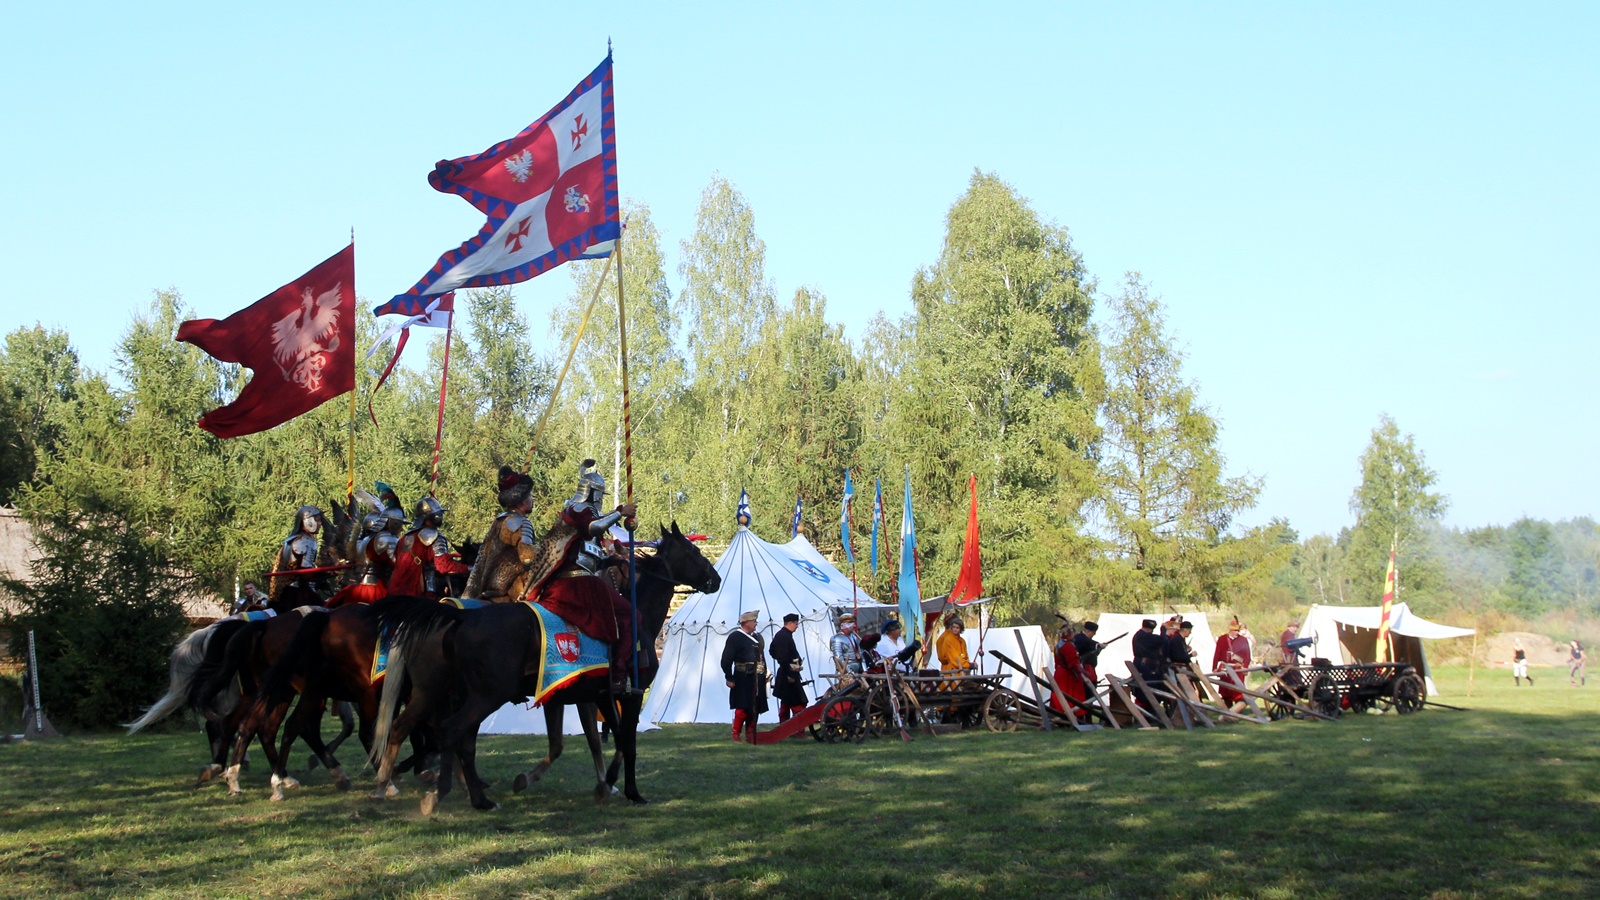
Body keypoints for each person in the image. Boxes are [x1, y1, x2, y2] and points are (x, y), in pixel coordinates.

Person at [528, 459, 640, 694]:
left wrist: (612, 560)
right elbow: (593, 528)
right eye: (599, 494)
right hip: (578, 583)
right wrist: (619, 512)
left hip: (582, 577)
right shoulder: (579, 510)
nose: (600, 499)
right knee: (632, 616)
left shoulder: (580, 512)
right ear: (591, 492)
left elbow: (587, 554)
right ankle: (619, 675)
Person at [462, 466, 540, 602]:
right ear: (522, 500)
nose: (532, 500)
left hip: (486, 591)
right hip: (510, 596)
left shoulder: (499, 520)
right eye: (530, 496)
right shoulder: (521, 523)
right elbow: (528, 558)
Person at [329, 506, 406, 608]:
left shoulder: (364, 540)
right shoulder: (386, 538)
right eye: (399, 524)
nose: (401, 528)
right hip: (375, 588)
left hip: (357, 587)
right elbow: (398, 565)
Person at [391, 496, 453, 598]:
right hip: (424, 591)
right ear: (435, 516)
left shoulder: (404, 537)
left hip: (398, 590)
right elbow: (443, 566)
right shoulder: (434, 536)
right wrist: (469, 568)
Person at [270, 505, 334, 602]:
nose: (320, 524)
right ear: (307, 520)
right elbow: (306, 574)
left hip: (287, 591)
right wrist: (324, 573)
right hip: (296, 593)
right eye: (317, 520)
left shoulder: (294, 539)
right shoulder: (305, 541)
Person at [722, 610, 768, 741]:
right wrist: (729, 676)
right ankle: (736, 734)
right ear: (746, 622)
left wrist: (765, 672)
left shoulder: (757, 637)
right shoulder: (735, 637)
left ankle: (750, 734)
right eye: (754, 621)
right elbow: (726, 659)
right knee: (742, 706)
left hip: (758, 677)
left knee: (755, 706)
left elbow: (761, 657)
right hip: (743, 677)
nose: (756, 623)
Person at [769, 612, 808, 722]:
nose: (797, 626)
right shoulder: (783, 636)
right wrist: (790, 672)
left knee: (787, 701)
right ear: (790, 623)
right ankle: (796, 729)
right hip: (788, 674)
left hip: (788, 672)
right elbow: (782, 657)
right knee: (798, 702)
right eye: (796, 624)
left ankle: (785, 726)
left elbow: (772, 651)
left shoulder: (783, 635)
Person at [1213, 616, 1252, 706]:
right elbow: (1217, 654)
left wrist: (1244, 667)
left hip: (1238, 669)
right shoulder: (1222, 639)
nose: (1237, 633)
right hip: (1226, 668)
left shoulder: (1243, 640)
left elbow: (1247, 656)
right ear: (1230, 630)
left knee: (1238, 691)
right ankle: (1228, 708)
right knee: (1226, 691)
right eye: (1235, 631)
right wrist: (1214, 667)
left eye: (1237, 631)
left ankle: (1238, 709)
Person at [1051, 621, 1089, 712]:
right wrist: (1084, 672)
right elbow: (1074, 664)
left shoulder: (1058, 645)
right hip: (1067, 675)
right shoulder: (1068, 646)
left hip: (1060, 672)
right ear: (1069, 635)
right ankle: (1071, 715)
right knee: (1070, 697)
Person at [1131, 618, 1165, 687]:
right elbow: (1162, 639)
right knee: (1147, 685)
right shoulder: (1144, 636)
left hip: (1142, 663)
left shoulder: (1139, 635)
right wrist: (1163, 630)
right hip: (1146, 665)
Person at [1073, 621, 1103, 685]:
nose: (1094, 634)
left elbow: (1093, 652)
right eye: (1093, 632)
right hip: (1085, 667)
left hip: (1088, 667)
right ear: (1088, 631)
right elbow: (1089, 643)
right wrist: (1098, 645)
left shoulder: (1085, 640)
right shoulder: (1082, 639)